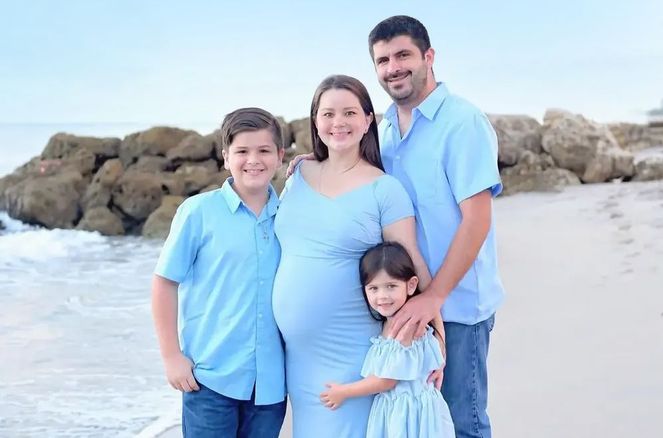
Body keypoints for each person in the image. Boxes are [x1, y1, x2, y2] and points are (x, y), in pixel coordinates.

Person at [272, 74, 435, 437]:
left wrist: (437, 338)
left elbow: (412, 266)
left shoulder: (385, 189)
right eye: (328, 113)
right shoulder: (297, 175)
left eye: (349, 113)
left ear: (367, 121)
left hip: (353, 351)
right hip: (297, 355)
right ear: (315, 121)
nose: (338, 122)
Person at [369, 15, 506, 438]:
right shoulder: (384, 129)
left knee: (462, 423)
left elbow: (477, 219)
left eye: (403, 55)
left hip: (458, 305)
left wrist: (436, 297)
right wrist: (313, 164)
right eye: (383, 59)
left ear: (429, 57)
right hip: (403, 304)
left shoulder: (461, 123)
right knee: (420, 424)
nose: (393, 67)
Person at [151, 107, 287, 437]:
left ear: (280, 156)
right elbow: (164, 283)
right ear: (226, 157)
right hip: (209, 378)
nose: (253, 160)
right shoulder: (198, 212)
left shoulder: (289, 215)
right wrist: (172, 356)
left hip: (270, 385)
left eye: (264, 150)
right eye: (242, 151)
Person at [319, 241, 455, 438]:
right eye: (373, 288)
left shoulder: (407, 327)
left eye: (391, 286)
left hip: (408, 414)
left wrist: (344, 392)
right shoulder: (390, 321)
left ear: (411, 285)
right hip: (399, 410)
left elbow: (386, 381)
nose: (382, 296)